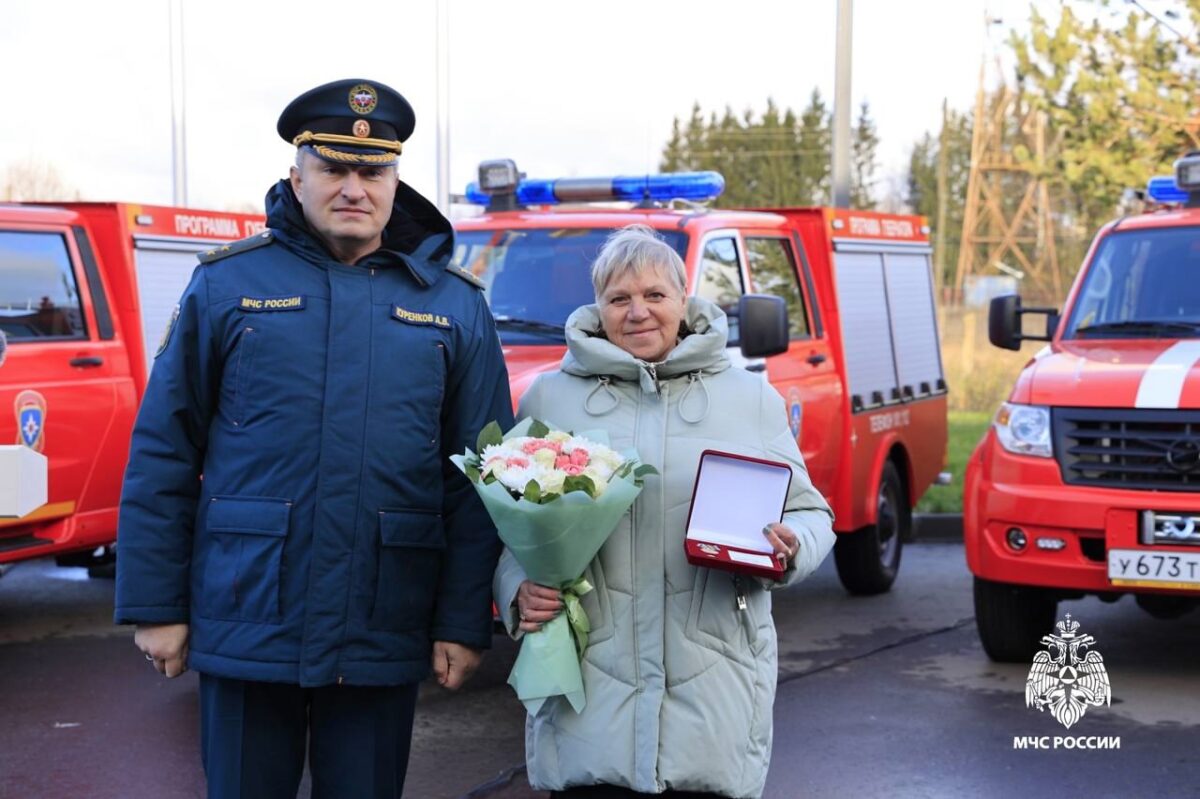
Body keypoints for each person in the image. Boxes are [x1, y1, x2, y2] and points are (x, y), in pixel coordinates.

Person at [115, 78, 513, 799]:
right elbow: (165, 451)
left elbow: (480, 477)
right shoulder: (226, 286)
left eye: (373, 172)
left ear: (395, 183)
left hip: (384, 619)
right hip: (247, 611)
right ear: (297, 178)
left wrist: (463, 620)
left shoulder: (455, 306)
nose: (354, 188)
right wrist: (156, 604)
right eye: (333, 169)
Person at [493, 224, 835, 798]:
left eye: (655, 295)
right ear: (598, 308)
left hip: (714, 685)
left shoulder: (748, 398)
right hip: (589, 692)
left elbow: (812, 513)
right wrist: (517, 591)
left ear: (683, 300)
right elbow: (514, 531)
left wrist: (792, 544)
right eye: (619, 299)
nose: (638, 312)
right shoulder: (551, 397)